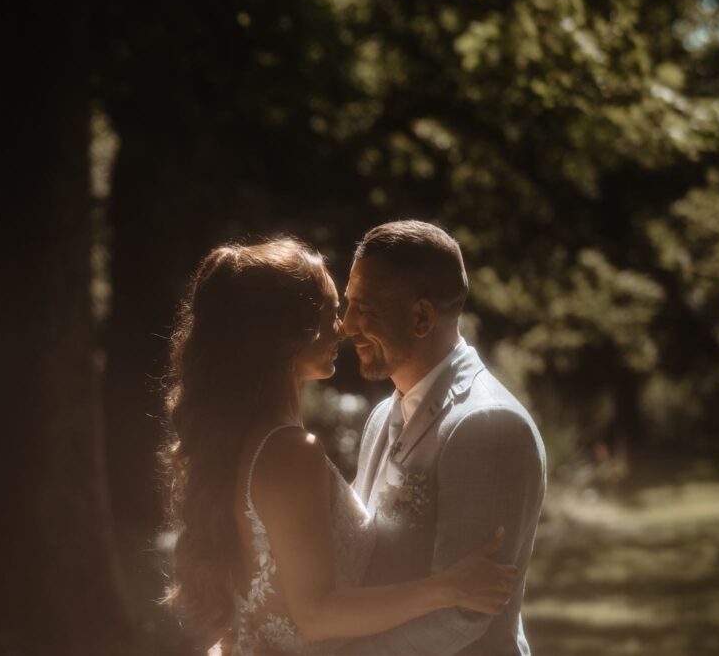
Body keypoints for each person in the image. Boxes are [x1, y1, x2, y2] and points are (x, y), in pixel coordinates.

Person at [162, 237, 518, 656]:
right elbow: (317, 614)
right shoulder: (289, 452)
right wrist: (447, 588)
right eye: (332, 313)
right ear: (286, 334)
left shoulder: (247, 439)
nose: (344, 328)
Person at [336, 220, 547, 655]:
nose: (347, 326)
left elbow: (463, 616)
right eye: (348, 304)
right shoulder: (382, 415)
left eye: (365, 309)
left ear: (421, 316)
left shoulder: (487, 425)